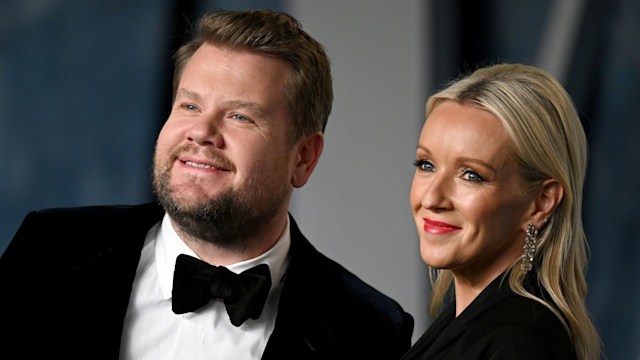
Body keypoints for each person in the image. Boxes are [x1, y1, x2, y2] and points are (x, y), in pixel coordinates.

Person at [0, 9, 413, 360]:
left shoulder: (369, 330)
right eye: (190, 105)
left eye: (240, 116)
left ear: (303, 158)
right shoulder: (48, 250)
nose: (200, 132)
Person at [401, 63, 601, 360]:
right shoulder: (472, 324)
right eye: (426, 165)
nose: (432, 198)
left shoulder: (518, 343)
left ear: (541, 202)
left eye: (471, 175)